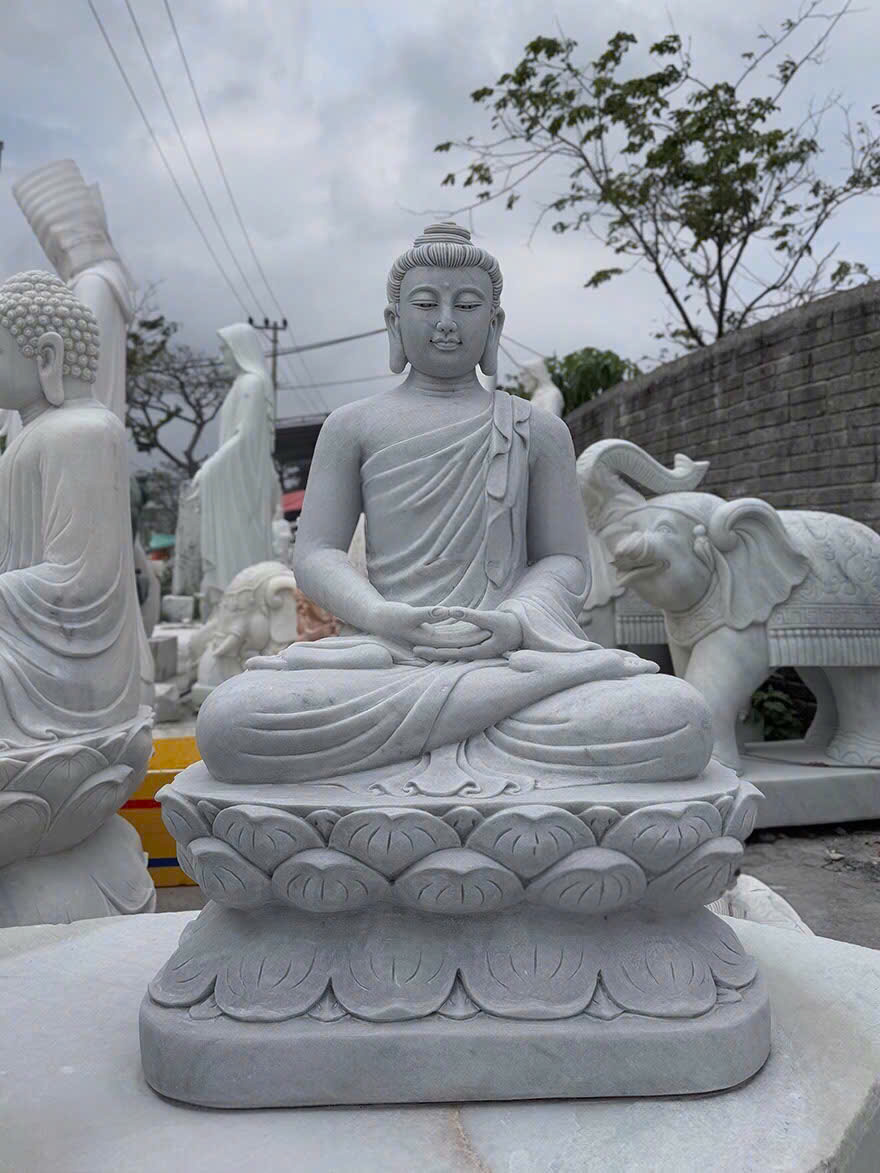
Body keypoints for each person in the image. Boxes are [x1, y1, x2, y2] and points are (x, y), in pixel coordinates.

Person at [198, 224, 712, 790]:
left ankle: (445, 730)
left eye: (467, 306)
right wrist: (379, 615)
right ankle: (470, 728)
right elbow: (317, 553)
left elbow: (565, 560)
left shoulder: (537, 429)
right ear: (394, 321)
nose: (446, 321)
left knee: (678, 717)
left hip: (507, 657)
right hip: (385, 659)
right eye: (426, 304)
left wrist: (515, 622)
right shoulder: (352, 426)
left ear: (494, 324)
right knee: (229, 722)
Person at [0, 272, 142, 746]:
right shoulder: (29, 438)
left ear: (47, 356)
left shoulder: (82, 432)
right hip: (24, 640)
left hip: (66, 668)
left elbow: (83, 581)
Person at [195, 323, 278, 613]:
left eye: (224, 350)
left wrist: (210, 467)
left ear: (238, 350)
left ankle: (243, 605)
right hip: (233, 479)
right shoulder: (241, 385)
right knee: (233, 543)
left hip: (244, 481)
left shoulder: (252, 383)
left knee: (241, 543)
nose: (221, 358)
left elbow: (245, 435)